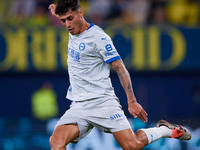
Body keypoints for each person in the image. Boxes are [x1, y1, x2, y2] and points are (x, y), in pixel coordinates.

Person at [48, 0, 191, 150]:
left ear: (80, 13)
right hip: (79, 105)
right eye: (63, 20)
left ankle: (164, 130)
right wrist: (57, 13)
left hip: (102, 102)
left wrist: (132, 101)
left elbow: (120, 68)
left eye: (70, 18)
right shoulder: (71, 26)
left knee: (132, 146)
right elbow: (65, 16)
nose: (67, 25)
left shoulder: (98, 38)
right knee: (56, 143)